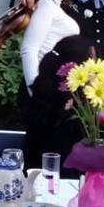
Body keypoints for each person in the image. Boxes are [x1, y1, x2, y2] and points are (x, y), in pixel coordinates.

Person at [22, 35, 96, 176]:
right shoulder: (69, 110)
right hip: (57, 182)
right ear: (76, 69)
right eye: (90, 64)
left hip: (35, 177)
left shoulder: (42, 96)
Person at [20, 0, 79, 89]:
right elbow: (29, 49)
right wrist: (34, 90)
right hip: (44, 86)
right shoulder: (46, 4)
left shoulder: (55, 5)